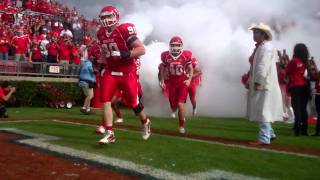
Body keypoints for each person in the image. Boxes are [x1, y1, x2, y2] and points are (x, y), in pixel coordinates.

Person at [95, 5, 151, 144]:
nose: (106, 20)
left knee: (134, 103)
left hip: (127, 72)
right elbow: (104, 51)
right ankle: (109, 133)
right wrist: (102, 62)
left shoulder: (123, 30)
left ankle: (145, 121)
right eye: (103, 17)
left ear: (116, 17)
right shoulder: (101, 33)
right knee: (105, 100)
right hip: (110, 72)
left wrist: (124, 54)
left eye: (109, 16)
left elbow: (141, 49)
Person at [246, 23, 283, 145]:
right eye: (254, 32)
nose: (254, 34)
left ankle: (264, 138)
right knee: (263, 109)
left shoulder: (266, 48)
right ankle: (270, 134)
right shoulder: (263, 47)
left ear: (263, 34)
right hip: (264, 83)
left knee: (264, 111)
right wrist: (250, 80)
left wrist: (258, 81)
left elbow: (263, 66)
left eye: (256, 32)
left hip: (265, 84)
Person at [159, 36, 194, 133]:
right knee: (173, 106)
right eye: (173, 45)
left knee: (180, 104)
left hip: (182, 83)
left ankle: (181, 126)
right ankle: (181, 116)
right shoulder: (165, 56)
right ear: (170, 46)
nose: (175, 48)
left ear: (181, 46)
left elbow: (191, 68)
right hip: (171, 84)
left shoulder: (185, 55)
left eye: (177, 45)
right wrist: (162, 80)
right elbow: (162, 69)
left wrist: (189, 79)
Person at [286, 43, 310, 136]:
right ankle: (304, 130)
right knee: (303, 109)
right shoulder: (305, 62)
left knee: (297, 109)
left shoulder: (294, 61)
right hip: (304, 87)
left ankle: (297, 130)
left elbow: (287, 71)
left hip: (296, 86)